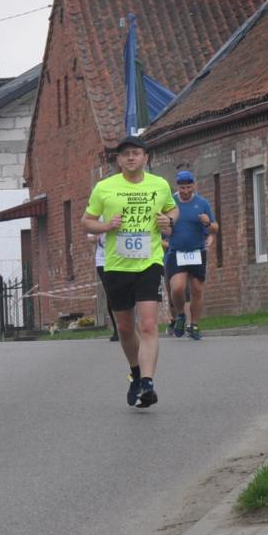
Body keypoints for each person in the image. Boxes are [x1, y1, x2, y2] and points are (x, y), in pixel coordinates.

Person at [81, 135, 178, 408]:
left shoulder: (159, 185)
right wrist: (106, 226)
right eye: (125, 154)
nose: (131, 157)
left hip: (149, 262)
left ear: (146, 157)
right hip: (116, 265)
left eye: (136, 153)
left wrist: (168, 220)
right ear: (119, 160)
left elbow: (173, 210)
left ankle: (147, 383)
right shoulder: (105, 188)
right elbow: (87, 222)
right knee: (125, 328)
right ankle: (136, 373)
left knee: (147, 324)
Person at [165, 170, 218, 340]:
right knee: (177, 288)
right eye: (182, 188)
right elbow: (162, 228)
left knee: (197, 289)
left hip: (197, 251)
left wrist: (207, 223)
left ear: (193, 185)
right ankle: (181, 315)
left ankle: (194, 325)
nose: (186, 191)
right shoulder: (170, 203)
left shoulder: (202, 203)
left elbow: (215, 228)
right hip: (176, 252)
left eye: (189, 187)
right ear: (177, 187)